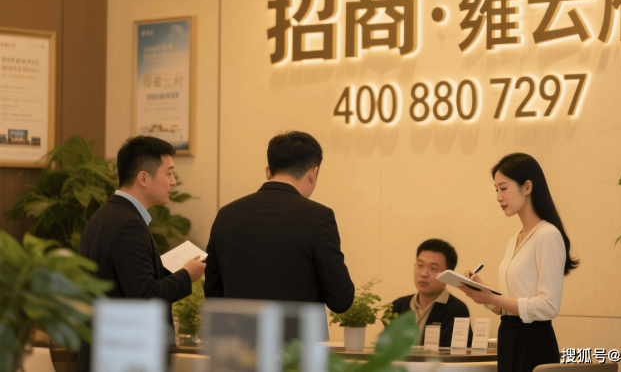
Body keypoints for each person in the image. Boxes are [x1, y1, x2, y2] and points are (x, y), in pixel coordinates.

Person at [76, 136, 206, 372]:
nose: (173, 181)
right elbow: (145, 295)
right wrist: (186, 276)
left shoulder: (102, 216)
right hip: (124, 357)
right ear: (143, 178)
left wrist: (167, 271)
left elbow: (123, 283)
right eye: (169, 173)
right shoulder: (129, 224)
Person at [204, 130, 354, 314]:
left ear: (268, 171)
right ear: (313, 173)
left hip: (236, 331)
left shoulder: (226, 214)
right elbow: (341, 299)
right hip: (296, 332)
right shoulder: (319, 217)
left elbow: (212, 292)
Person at [458, 153, 579, 372]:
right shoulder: (514, 240)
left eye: (503, 188)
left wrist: (492, 297)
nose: (498, 197)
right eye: (496, 190)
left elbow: (549, 306)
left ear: (527, 187)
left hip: (533, 342)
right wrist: (482, 293)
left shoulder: (548, 235)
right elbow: (504, 308)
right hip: (508, 336)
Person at [391, 238, 472, 347]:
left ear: (448, 275)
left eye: (433, 268)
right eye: (420, 265)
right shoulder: (397, 306)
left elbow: (447, 352)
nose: (424, 274)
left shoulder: (457, 311)